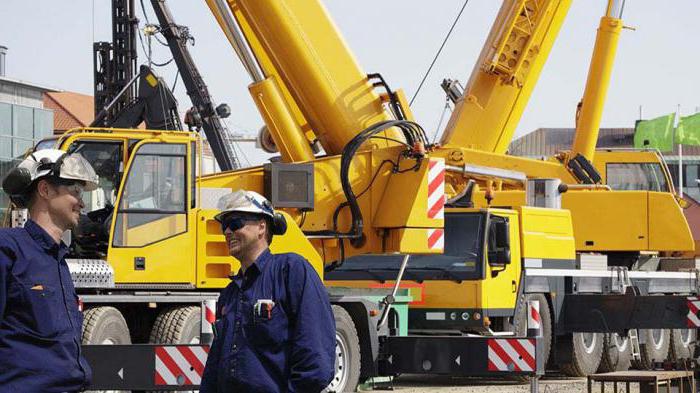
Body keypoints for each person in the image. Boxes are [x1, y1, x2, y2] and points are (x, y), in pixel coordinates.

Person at [200, 190, 336, 393]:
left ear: (261, 227)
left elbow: (315, 353)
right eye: (224, 226)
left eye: (235, 223)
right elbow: (216, 363)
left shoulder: (291, 270)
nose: (227, 231)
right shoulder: (230, 293)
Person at [0, 149, 98, 392]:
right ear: (45, 190)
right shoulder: (9, 250)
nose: (82, 202)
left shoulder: (58, 261)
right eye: (75, 191)